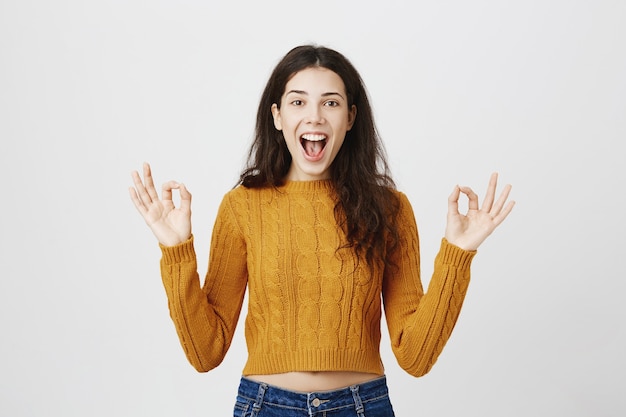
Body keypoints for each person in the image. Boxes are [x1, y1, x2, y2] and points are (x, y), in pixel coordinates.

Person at [129, 44, 514, 417]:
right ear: (277, 116)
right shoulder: (243, 206)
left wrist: (457, 253)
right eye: (298, 102)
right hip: (266, 407)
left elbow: (415, 356)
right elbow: (205, 352)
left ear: (350, 117)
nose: (314, 116)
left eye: (330, 102)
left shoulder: (389, 209)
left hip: (363, 406)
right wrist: (175, 249)